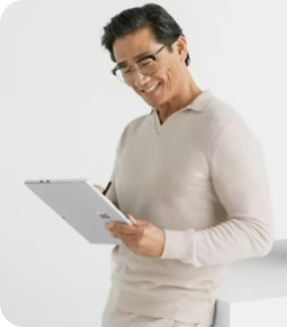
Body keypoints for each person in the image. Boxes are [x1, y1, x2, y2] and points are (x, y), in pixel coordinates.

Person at [96, 3, 273, 327]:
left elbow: (257, 233)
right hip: (119, 307)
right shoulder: (133, 132)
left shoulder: (221, 128)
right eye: (125, 68)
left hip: (177, 314)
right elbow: (131, 218)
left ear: (179, 47)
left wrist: (167, 243)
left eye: (145, 62)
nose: (137, 79)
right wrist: (101, 206)